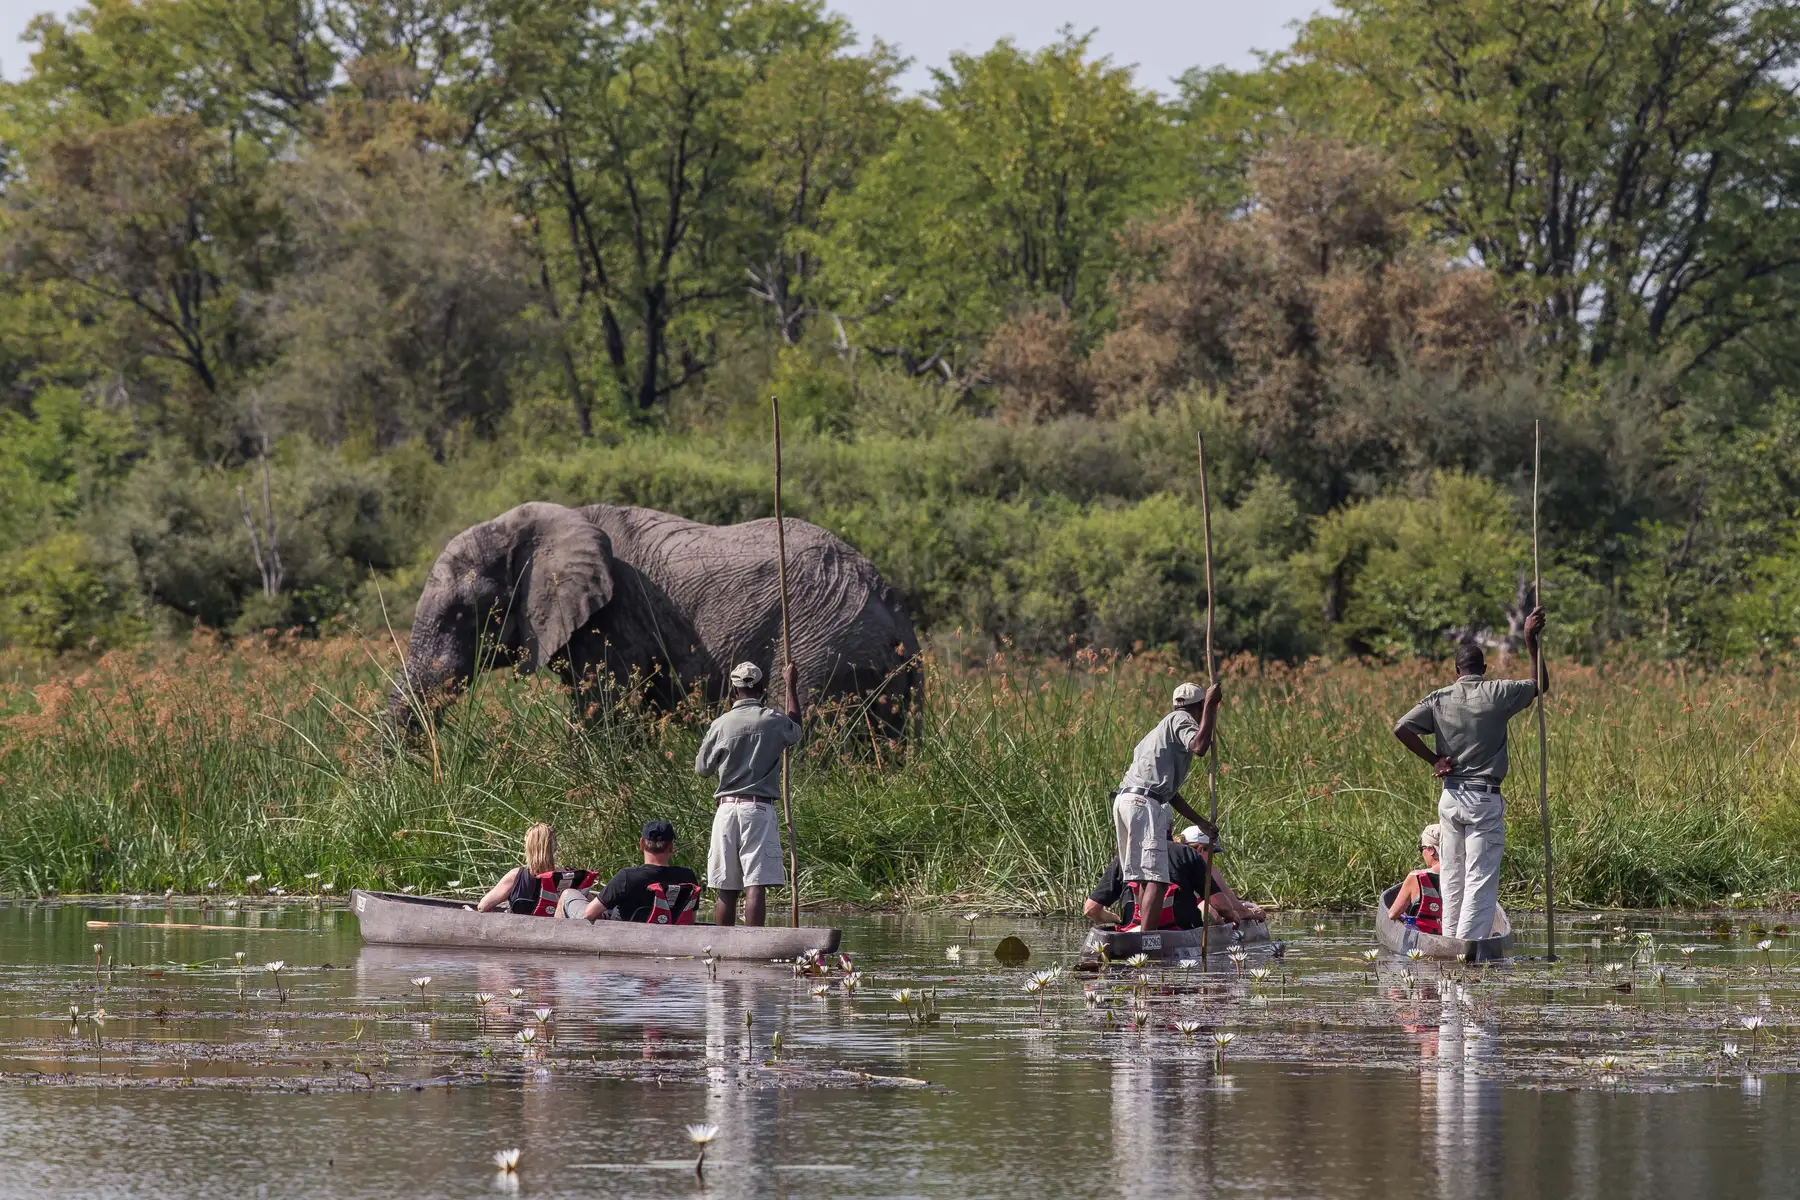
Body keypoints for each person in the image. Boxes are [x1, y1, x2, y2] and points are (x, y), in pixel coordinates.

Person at [1392, 608, 1547, 941]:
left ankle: (1447, 942)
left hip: (1450, 798)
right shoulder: (1498, 693)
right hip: (1482, 799)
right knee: (1479, 877)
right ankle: (1466, 949)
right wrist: (1530, 640)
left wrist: (1434, 759)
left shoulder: (1438, 698)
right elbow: (1539, 685)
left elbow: (1401, 728)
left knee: (1451, 874)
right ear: (1485, 669)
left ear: (1456, 671)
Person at [695, 660, 803, 927]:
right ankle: (752, 947)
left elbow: (702, 769)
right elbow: (796, 729)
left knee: (727, 886)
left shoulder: (720, 724)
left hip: (726, 810)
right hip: (758, 809)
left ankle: (721, 949)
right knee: (755, 883)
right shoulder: (772, 720)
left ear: (734, 691)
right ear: (763, 688)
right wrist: (791, 686)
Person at [1111, 681, 1223, 932]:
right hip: (1143, 804)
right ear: (1196, 708)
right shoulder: (1181, 719)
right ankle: (1146, 941)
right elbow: (1199, 746)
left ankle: (1140, 932)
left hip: (1127, 800)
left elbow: (1168, 793)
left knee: (1141, 878)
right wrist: (1212, 707)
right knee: (1157, 880)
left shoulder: (1159, 731)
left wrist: (1200, 821)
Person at [1084, 825, 1265, 930]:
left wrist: (1115, 920)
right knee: (1206, 907)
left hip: (1132, 931)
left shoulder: (1125, 856)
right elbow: (1221, 905)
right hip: (1179, 931)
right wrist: (1237, 915)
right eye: (1211, 852)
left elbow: (1091, 909)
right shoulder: (1187, 855)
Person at [581, 819, 702, 924]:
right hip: (669, 939)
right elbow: (690, 919)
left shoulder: (627, 876)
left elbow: (588, 915)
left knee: (568, 895)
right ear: (671, 846)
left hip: (623, 938)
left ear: (641, 844)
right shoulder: (688, 877)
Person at [475, 822, 599, 917]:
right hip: (555, 935)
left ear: (528, 848)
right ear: (554, 848)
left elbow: (483, 906)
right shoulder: (569, 878)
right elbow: (588, 903)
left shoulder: (516, 876)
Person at [1386, 824, 1444, 934]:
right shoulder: (1466, 875)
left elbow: (1393, 914)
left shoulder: (1416, 877)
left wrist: (1403, 916)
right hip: (1453, 935)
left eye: (1421, 848)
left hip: (1423, 938)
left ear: (1431, 850)